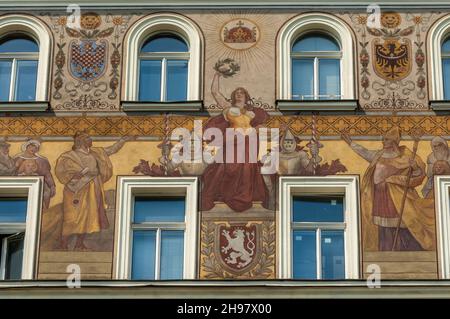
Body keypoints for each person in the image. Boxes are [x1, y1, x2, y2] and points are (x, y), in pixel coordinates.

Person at [342, 127, 435, 251]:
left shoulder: (406, 155)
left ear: (393, 142)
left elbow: (419, 175)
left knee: (406, 222)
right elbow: (364, 152)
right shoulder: (379, 155)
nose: (383, 142)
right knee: (383, 228)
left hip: (399, 197)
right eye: (383, 139)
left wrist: (415, 167)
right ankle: (386, 251)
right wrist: (350, 143)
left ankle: (407, 252)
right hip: (380, 198)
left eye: (386, 139)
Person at [201, 71, 269, 212]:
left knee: (247, 167)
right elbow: (215, 92)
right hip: (233, 139)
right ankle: (229, 193)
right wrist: (217, 75)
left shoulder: (251, 111)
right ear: (233, 97)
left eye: (241, 92)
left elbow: (258, 125)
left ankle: (243, 196)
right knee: (231, 166)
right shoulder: (228, 108)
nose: (238, 94)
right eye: (236, 93)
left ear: (246, 96)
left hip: (249, 140)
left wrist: (258, 128)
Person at [55, 132, 134, 250]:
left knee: (90, 216)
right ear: (81, 141)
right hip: (76, 190)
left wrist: (122, 140)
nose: (91, 139)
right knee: (73, 217)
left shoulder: (96, 152)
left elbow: (111, 150)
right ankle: (63, 243)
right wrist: (74, 175)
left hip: (93, 187)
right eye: (88, 138)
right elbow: (61, 172)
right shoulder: (69, 156)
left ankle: (79, 243)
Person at [14, 139, 56, 209]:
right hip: (21, 182)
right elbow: (12, 172)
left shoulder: (41, 160)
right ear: (26, 147)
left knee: (46, 193)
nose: (33, 148)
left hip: (38, 183)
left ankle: (43, 212)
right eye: (31, 146)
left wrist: (52, 186)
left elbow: (47, 174)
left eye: (36, 147)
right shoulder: (18, 158)